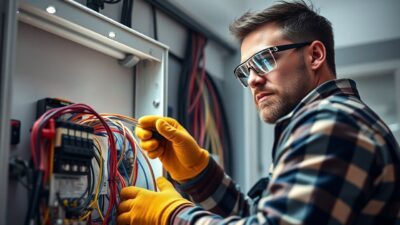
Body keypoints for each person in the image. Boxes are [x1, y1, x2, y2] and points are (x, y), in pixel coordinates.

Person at [117, 1, 400, 224]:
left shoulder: (332, 122)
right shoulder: (334, 119)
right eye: (245, 71)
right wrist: (200, 175)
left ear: (314, 55)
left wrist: (170, 216)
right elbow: (260, 217)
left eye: (264, 59)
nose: (252, 80)